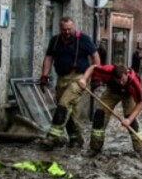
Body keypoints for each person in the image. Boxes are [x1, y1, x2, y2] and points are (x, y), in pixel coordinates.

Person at [39, 17, 100, 149]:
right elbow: (49, 58)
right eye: (64, 30)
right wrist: (44, 75)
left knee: (64, 105)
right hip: (62, 78)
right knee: (69, 110)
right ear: (60, 29)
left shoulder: (83, 39)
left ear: (74, 27)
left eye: (69, 29)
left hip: (79, 78)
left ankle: (52, 137)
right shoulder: (55, 41)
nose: (67, 32)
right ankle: (76, 138)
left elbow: (95, 56)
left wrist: (96, 77)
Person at [77, 64, 142, 158]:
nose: (122, 82)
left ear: (126, 74)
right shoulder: (107, 71)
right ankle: (95, 148)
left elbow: (140, 103)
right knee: (99, 116)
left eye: (123, 80)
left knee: (131, 120)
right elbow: (93, 68)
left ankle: (140, 149)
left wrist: (129, 120)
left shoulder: (134, 82)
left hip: (128, 95)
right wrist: (84, 79)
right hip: (112, 92)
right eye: (119, 81)